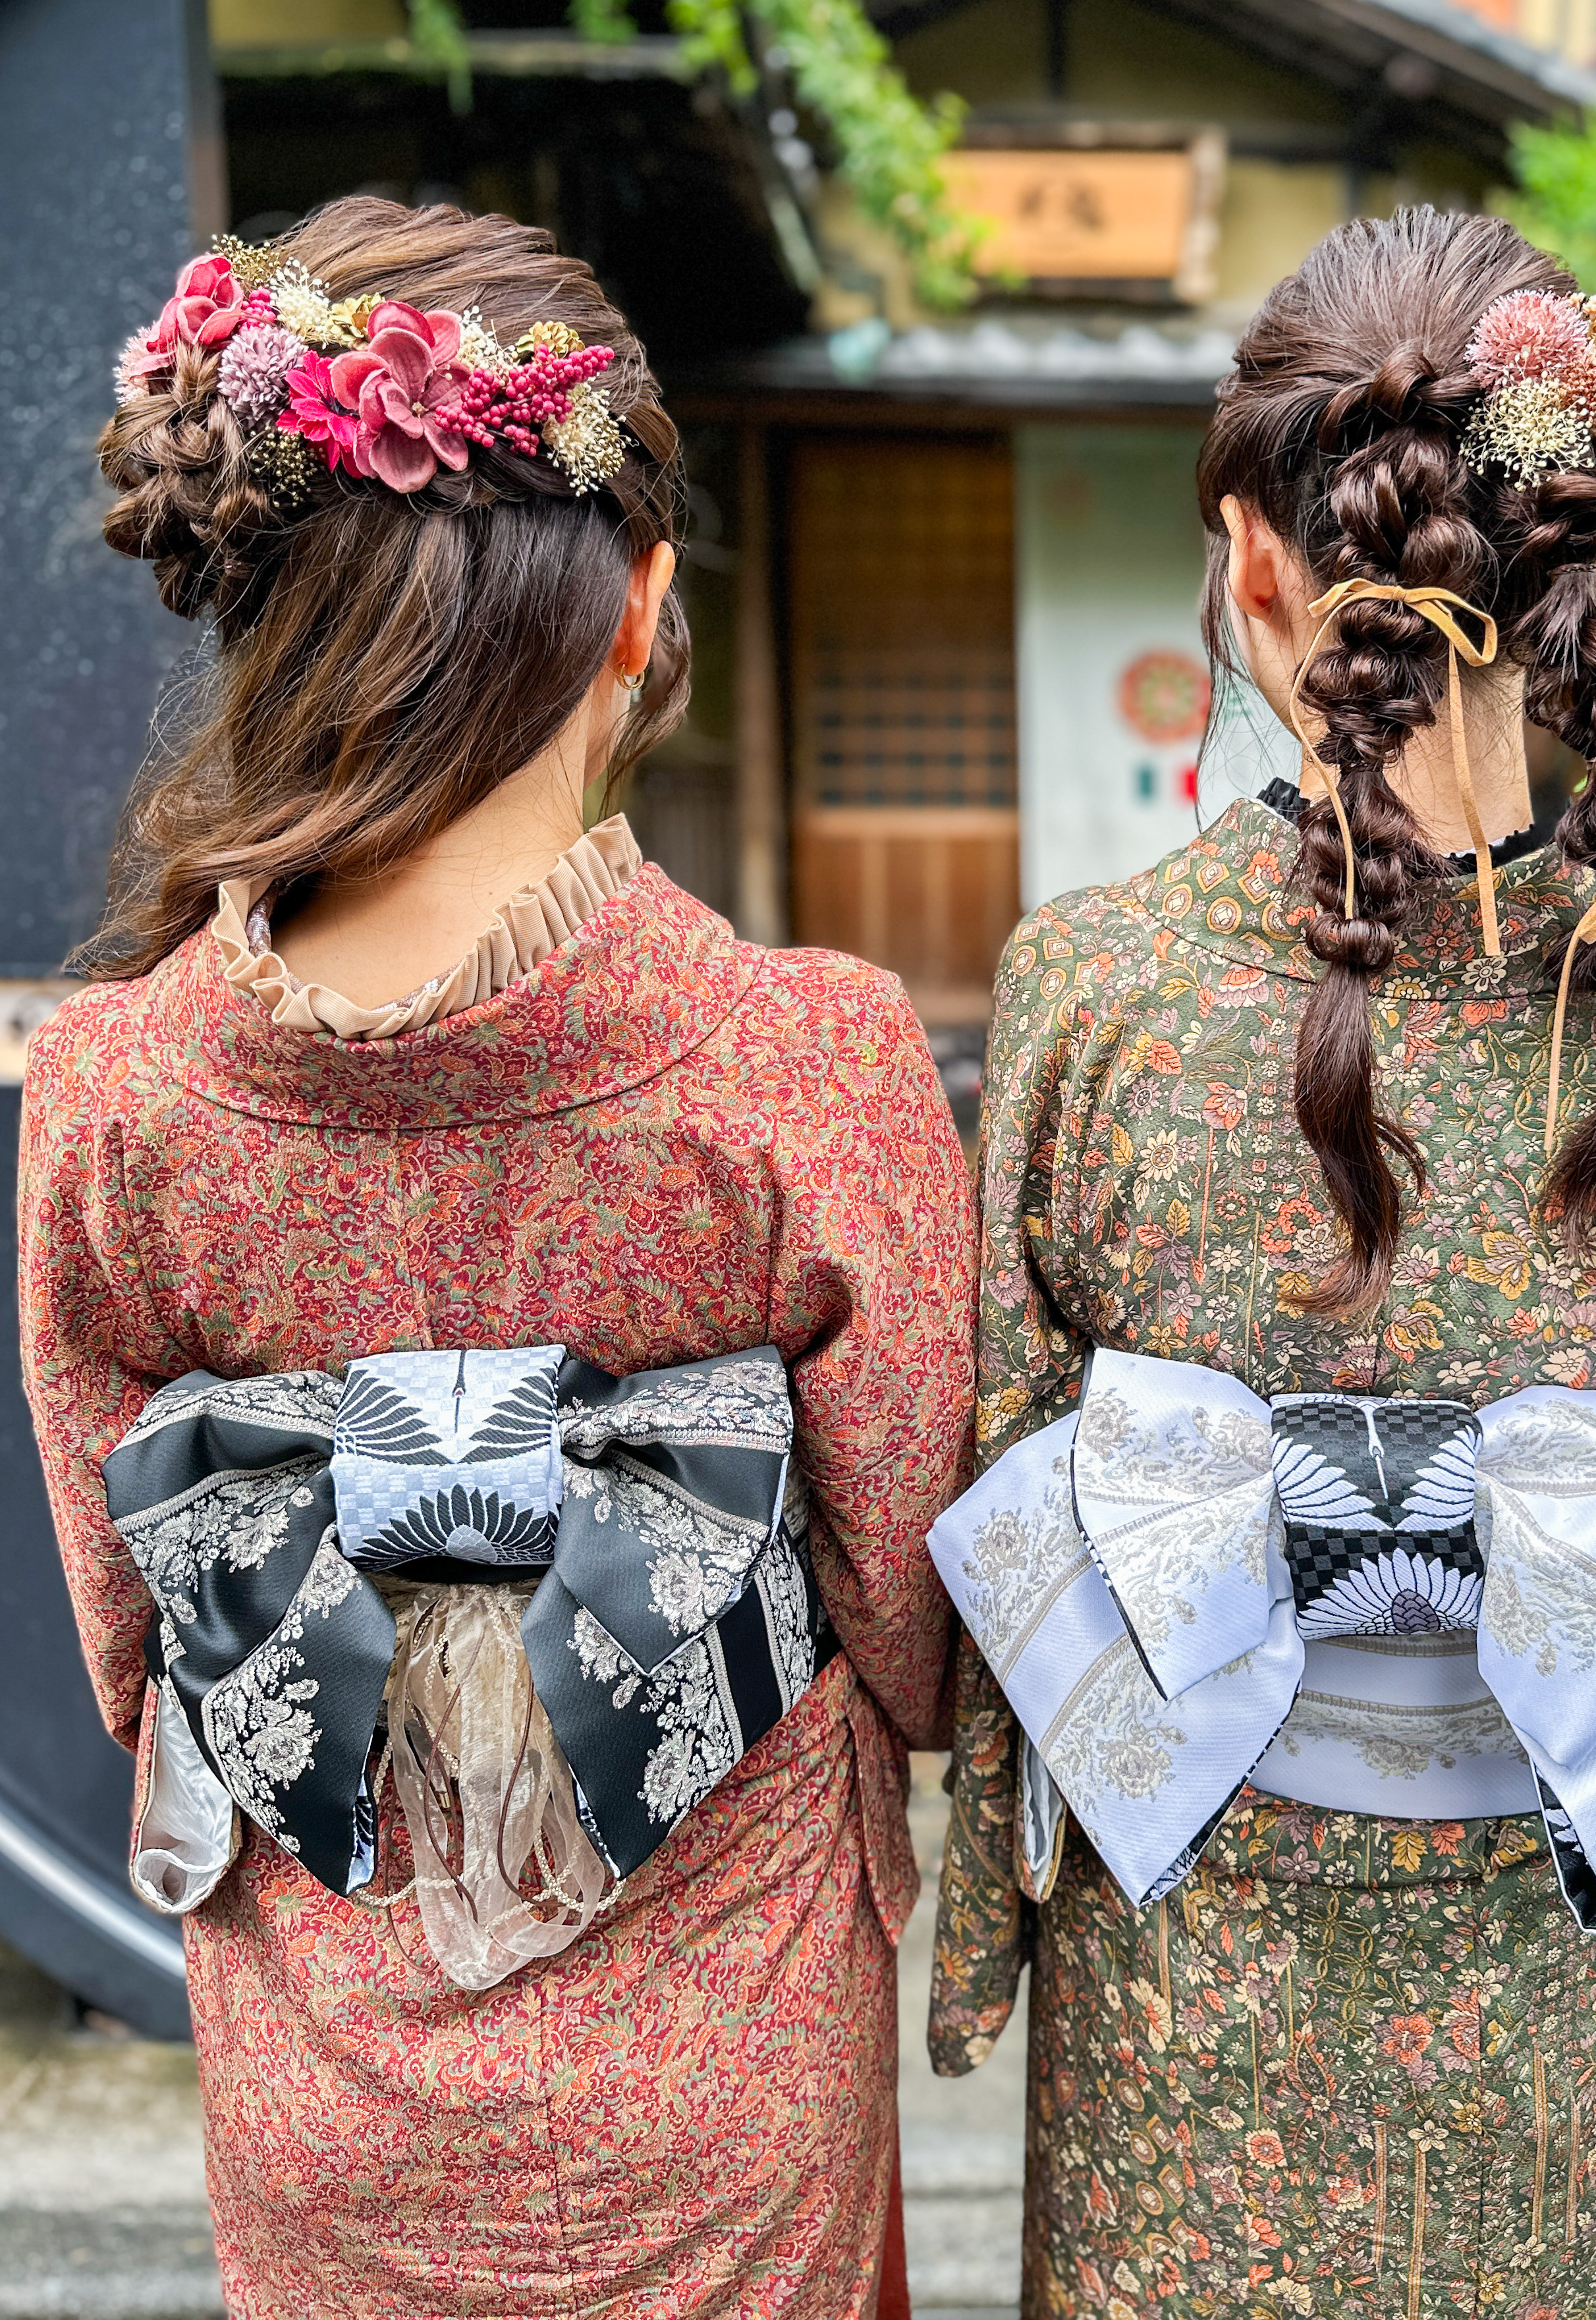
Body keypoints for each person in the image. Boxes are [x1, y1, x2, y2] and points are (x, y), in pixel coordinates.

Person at [20, 196, 976, 2319]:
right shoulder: (800, 1057)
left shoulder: (115, 1089)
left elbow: (130, 1639)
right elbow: (913, 1619)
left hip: (330, 2036)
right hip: (724, 2025)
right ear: (641, 611)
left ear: (269, 611)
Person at [927, 207, 1596, 2317]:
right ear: (1584, 574)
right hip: (1565, 1945)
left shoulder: (1090, 1003)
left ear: (1255, 570)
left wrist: (983, 1931)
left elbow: (1002, 1497)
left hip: (1194, 1970)